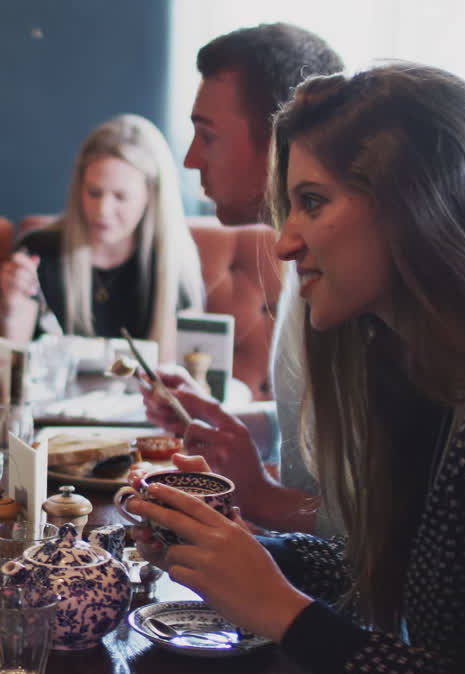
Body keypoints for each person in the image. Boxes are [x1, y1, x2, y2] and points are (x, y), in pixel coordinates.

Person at [127, 62, 465, 674]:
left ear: (420, 206)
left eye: (313, 202)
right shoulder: (422, 374)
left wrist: (285, 612)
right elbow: (391, 577)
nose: (284, 243)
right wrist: (244, 554)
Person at [143, 23, 343, 534]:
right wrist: (231, 425)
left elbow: (392, 529)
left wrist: (262, 497)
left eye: (207, 135)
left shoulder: (352, 285)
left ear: (280, 139)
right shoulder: (301, 261)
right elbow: (324, 438)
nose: (190, 158)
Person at [0, 113, 203, 363]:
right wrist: (10, 307)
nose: (102, 211)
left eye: (120, 197)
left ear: (151, 197)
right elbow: (3, 370)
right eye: (94, 193)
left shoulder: (172, 266)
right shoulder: (40, 252)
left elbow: (177, 376)